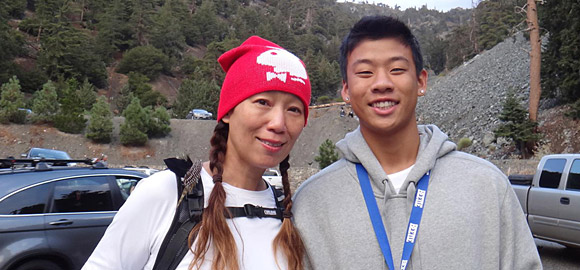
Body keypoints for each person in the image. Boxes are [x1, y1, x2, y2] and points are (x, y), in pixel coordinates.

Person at [292, 16, 542, 270]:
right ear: (345, 89)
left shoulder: (486, 185)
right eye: (365, 72)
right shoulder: (312, 202)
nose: (382, 84)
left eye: (397, 70)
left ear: (421, 81)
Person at [83, 36, 311, 270]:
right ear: (228, 112)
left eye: (294, 109)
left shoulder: (288, 213)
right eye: (263, 102)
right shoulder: (169, 193)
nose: (278, 123)